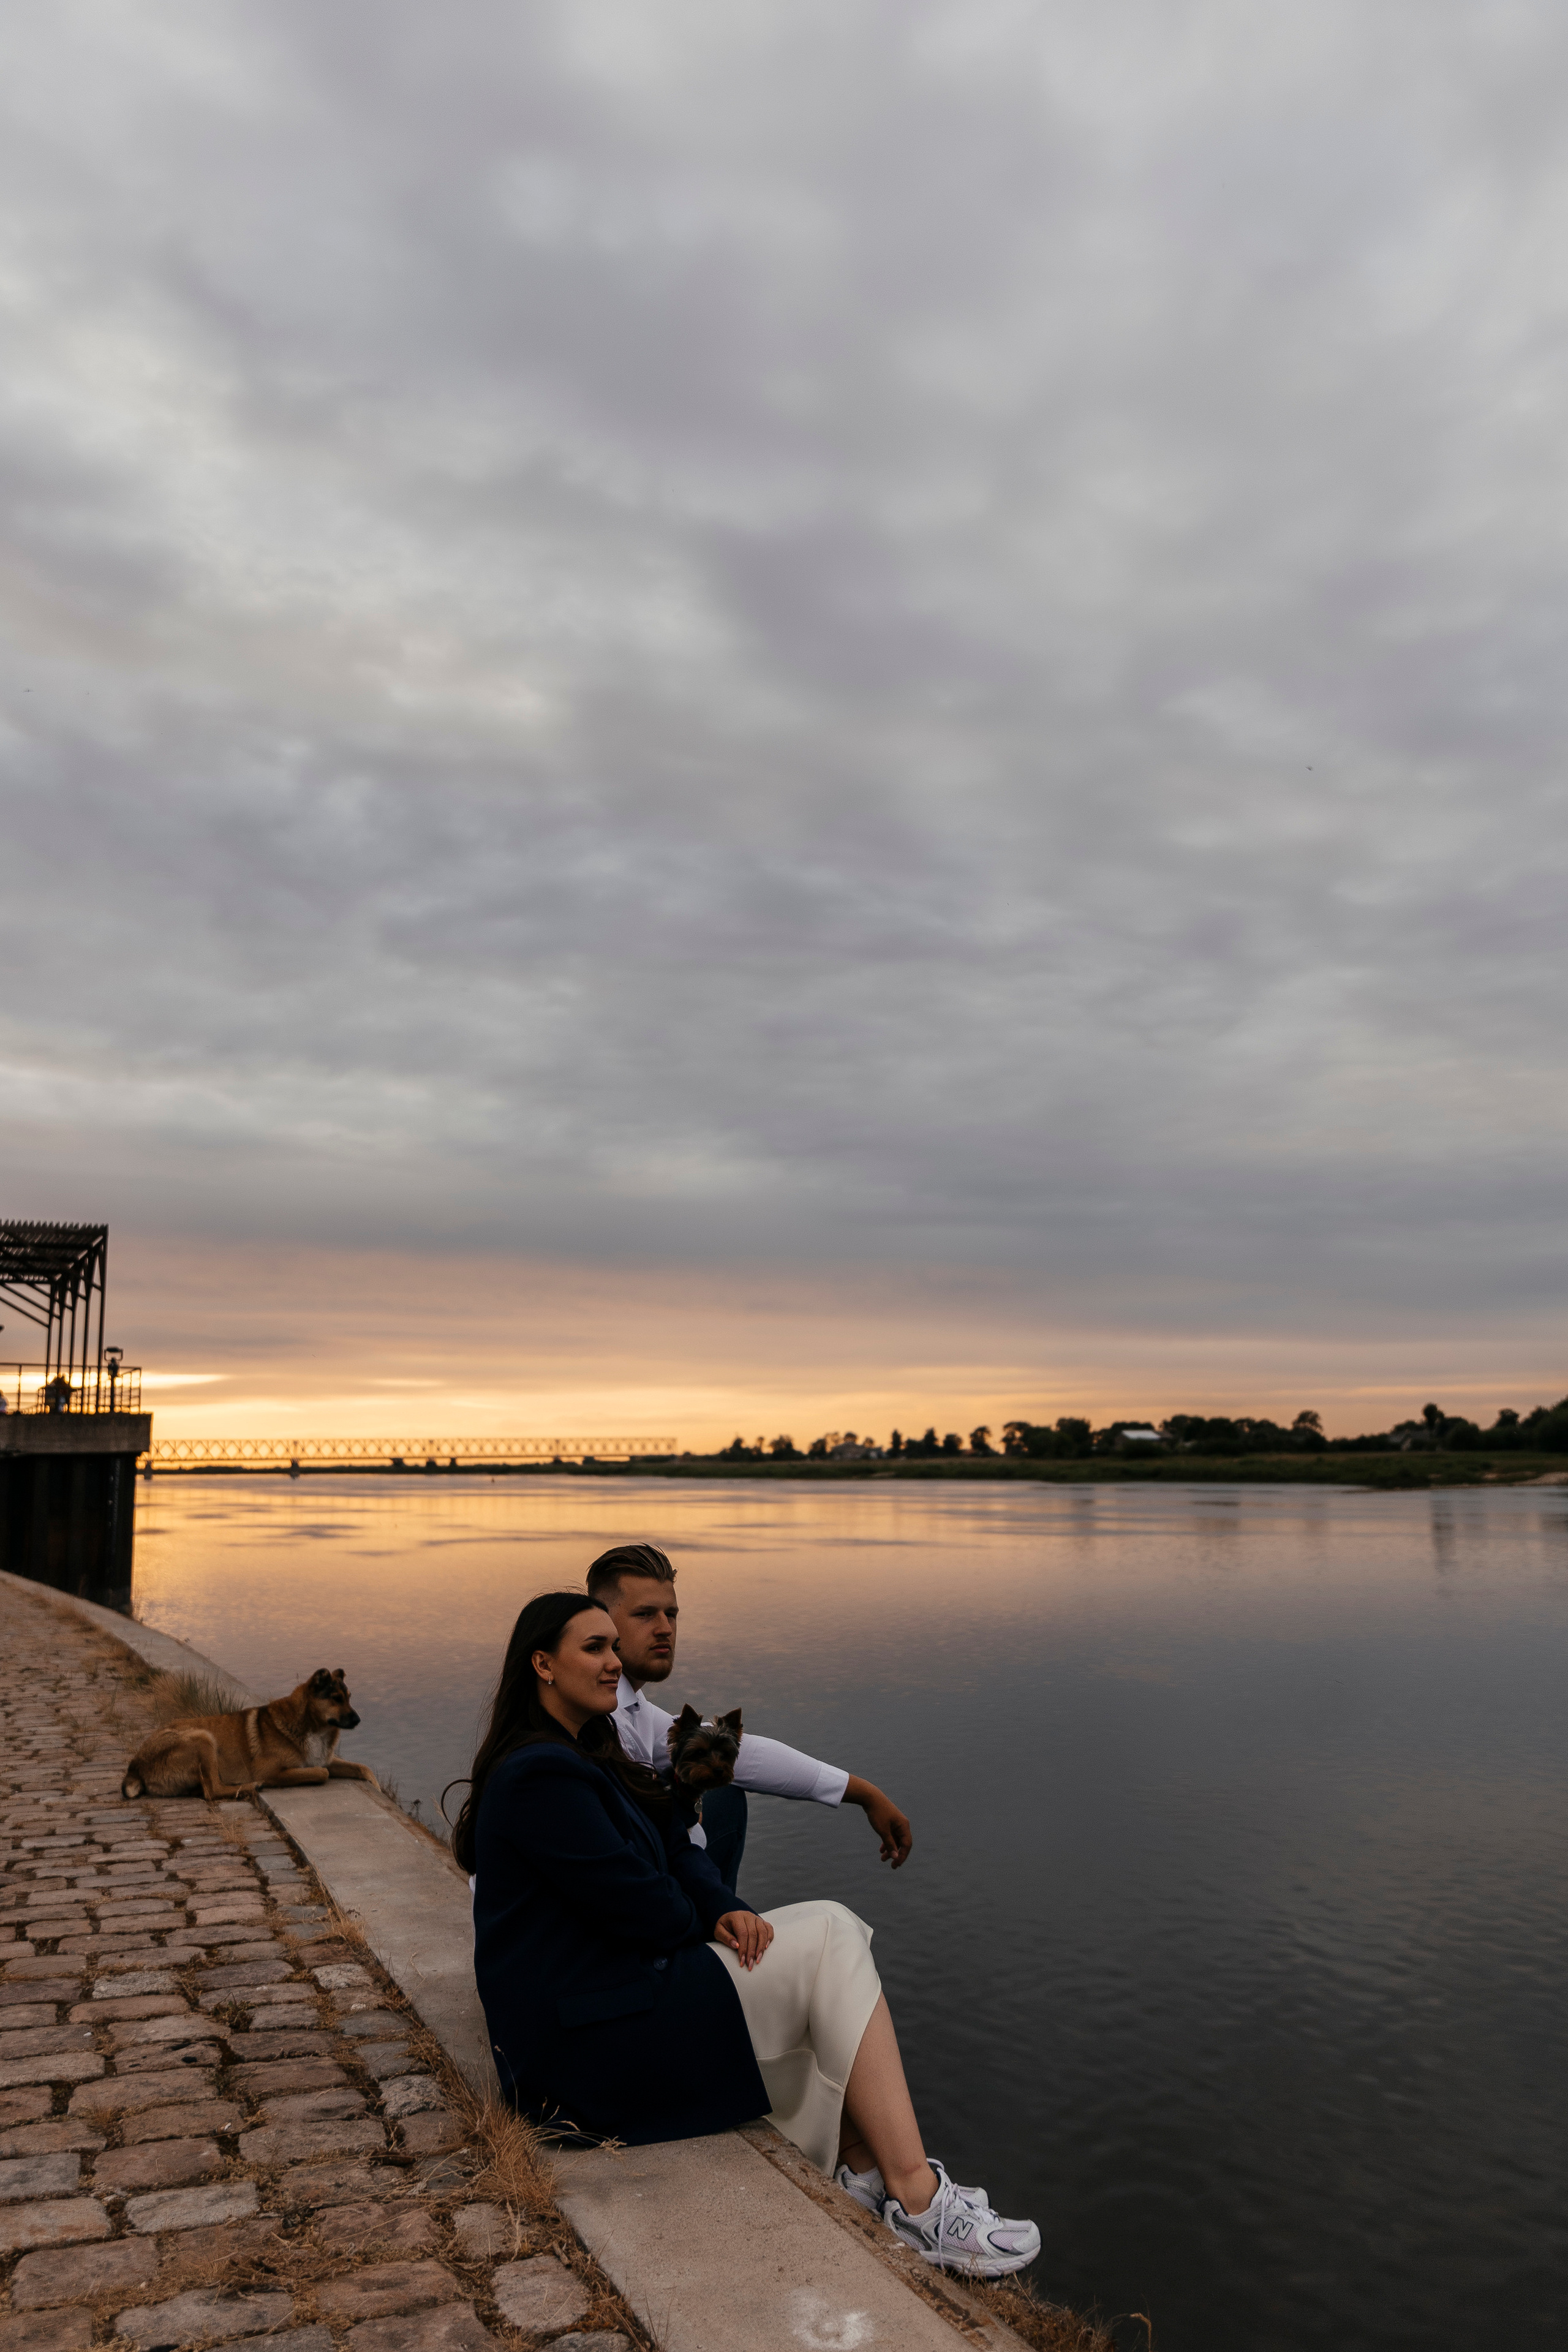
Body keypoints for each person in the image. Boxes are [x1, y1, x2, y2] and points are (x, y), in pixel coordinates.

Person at [457, 1591, 1041, 2278]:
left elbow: (676, 1846)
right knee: (829, 1934)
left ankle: (866, 2173)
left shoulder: (591, 1748)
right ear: (542, 1665)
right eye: (595, 1648)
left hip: (607, 2001)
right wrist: (698, 1914)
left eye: (615, 1646)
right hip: (578, 2053)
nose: (616, 1661)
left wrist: (721, 1904)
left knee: (826, 1944)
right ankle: (918, 2201)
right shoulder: (538, 1775)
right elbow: (647, 1912)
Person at [586, 1541, 912, 1891]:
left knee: (722, 1791)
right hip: (634, 1893)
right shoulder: (605, 1713)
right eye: (645, 1614)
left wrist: (867, 1795)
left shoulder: (632, 1704)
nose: (665, 1627)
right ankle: (716, 1928)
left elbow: (745, 1754)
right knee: (711, 1799)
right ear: (601, 1622)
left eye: (672, 1614)